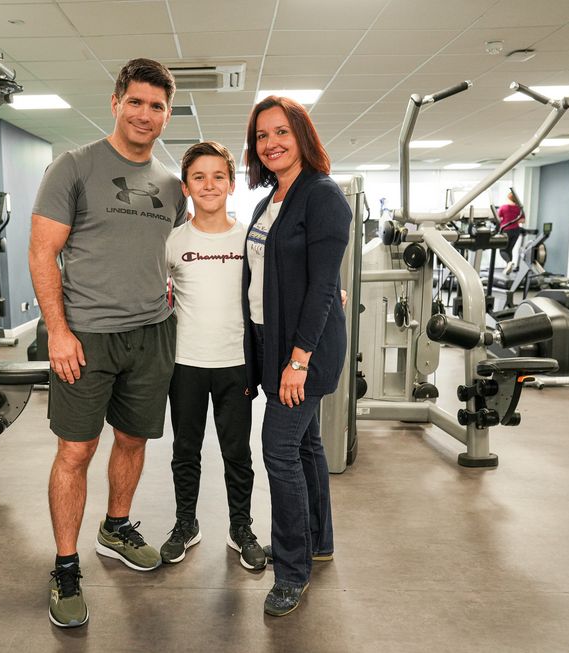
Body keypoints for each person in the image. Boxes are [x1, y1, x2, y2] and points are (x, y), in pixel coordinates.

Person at [29, 58, 186, 629]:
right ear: (116, 102)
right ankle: (66, 565)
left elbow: (189, 256)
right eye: (137, 102)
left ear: (167, 116)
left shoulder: (173, 186)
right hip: (87, 337)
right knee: (76, 451)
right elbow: (42, 252)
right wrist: (58, 331)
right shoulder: (74, 167)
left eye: (157, 106)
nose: (146, 114)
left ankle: (116, 526)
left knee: (133, 440)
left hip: (151, 334)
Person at [241, 96, 351, 617]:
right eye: (262, 136)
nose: (271, 143)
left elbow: (324, 284)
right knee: (306, 446)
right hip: (273, 342)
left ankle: (291, 571)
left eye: (281, 132)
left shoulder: (322, 195)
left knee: (278, 449)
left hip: (303, 351)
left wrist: (299, 359)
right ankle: (317, 541)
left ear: (302, 135)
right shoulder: (271, 200)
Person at [160, 141, 266, 570]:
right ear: (186, 187)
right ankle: (186, 523)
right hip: (184, 363)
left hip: (235, 364)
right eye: (199, 177)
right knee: (185, 450)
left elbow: (274, 288)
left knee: (237, 452)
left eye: (218, 176)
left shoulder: (250, 239)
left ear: (232, 184)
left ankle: (241, 527)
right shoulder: (172, 241)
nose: (209, 184)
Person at [498, 191, 525, 263]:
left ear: (509, 198)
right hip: (516, 231)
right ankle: (509, 265)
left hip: (506, 230)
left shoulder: (503, 207)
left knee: (503, 250)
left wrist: (506, 220)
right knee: (509, 250)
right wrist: (515, 220)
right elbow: (523, 220)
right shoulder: (519, 208)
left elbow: (498, 218)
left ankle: (509, 263)